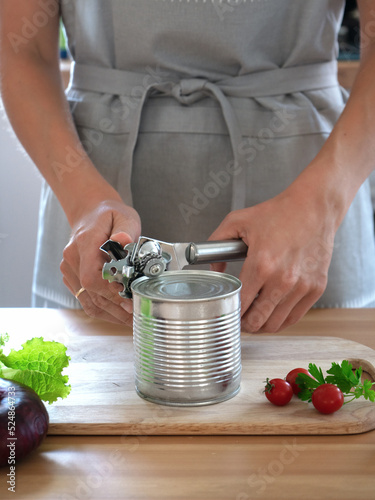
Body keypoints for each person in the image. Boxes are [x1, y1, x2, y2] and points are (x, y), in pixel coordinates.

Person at [1, 0, 374, 333]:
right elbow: (20, 48)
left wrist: (318, 206)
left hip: (306, 205)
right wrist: (84, 202)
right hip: (92, 218)